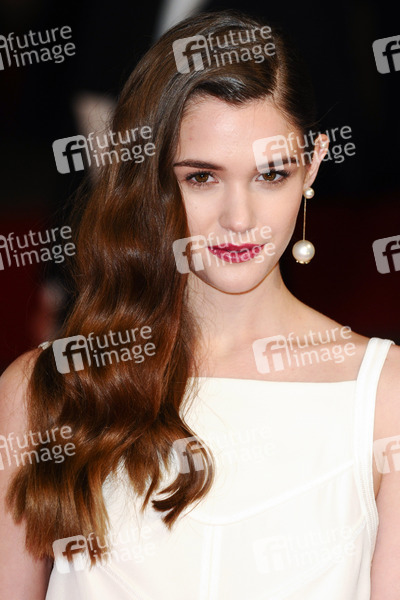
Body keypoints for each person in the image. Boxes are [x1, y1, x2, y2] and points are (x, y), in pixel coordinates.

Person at [0, 10, 399, 600]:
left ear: (313, 163)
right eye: (202, 178)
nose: (240, 218)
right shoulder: (42, 393)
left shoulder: (382, 397)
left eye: (271, 174)